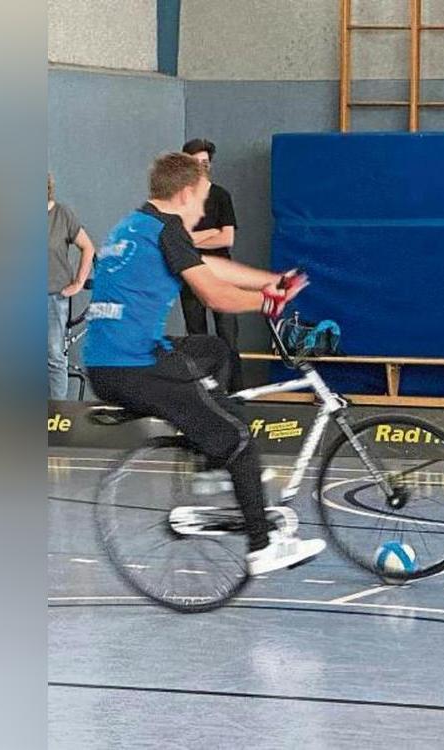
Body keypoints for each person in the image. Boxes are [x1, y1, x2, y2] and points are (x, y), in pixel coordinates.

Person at [83, 152, 324, 575]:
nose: (203, 211)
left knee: (212, 351)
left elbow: (208, 266)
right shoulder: (167, 229)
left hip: (107, 362)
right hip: (136, 365)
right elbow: (215, 296)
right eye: (202, 200)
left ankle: (211, 465)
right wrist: (270, 303)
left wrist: (268, 281)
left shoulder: (135, 225)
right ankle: (262, 547)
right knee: (239, 439)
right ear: (186, 192)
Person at [179, 138, 244, 391]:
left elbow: (227, 238)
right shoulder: (180, 199)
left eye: (205, 163)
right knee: (197, 337)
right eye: (195, 163)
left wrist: (197, 238)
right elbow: (180, 239)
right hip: (191, 275)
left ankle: (237, 393)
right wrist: (210, 233)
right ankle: (202, 393)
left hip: (221, 275)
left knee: (228, 336)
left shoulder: (220, 196)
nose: (200, 168)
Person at [48, 172, 96, 400]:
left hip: (53, 297)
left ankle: (56, 416)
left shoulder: (62, 214)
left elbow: (88, 247)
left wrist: (78, 283)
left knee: (54, 356)